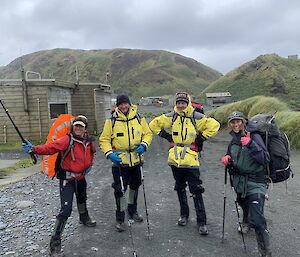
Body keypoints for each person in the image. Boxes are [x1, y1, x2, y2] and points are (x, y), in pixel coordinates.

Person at [22, 115, 96, 257]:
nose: (78, 128)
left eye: (81, 126)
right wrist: (34, 149)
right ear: (73, 127)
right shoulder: (66, 140)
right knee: (66, 210)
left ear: (85, 129)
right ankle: (55, 244)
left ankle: (84, 217)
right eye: (76, 126)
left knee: (82, 198)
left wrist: (89, 165)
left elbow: (92, 154)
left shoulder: (89, 142)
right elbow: (50, 148)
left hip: (81, 177)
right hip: (67, 180)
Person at [149, 91, 220, 235]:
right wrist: (166, 136)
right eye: (179, 103)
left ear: (188, 103)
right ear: (176, 104)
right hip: (175, 159)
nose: (181, 105)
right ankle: (184, 215)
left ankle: (202, 222)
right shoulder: (172, 116)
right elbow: (153, 124)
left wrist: (202, 138)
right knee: (180, 187)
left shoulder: (196, 116)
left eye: (183, 103)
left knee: (196, 189)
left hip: (191, 159)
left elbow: (215, 125)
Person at [221, 111, 272, 257]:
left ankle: (265, 252)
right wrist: (227, 158)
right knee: (243, 203)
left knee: (257, 219)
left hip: (256, 182)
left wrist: (251, 144)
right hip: (239, 182)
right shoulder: (234, 140)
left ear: (244, 122)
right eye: (232, 122)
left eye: (238, 121)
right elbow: (231, 154)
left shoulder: (254, 136)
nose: (236, 124)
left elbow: (265, 158)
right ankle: (245, 222)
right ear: (230, 124)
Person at [99, 94, 152, 232]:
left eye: (125, 103)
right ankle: (120, 218)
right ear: (117, 106)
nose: (123, 106)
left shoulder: (140, 118)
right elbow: (104, 140)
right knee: (120, 191)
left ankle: (132, 211)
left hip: (136, 160)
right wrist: (109, 154)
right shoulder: (111, 121)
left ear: (129, 104)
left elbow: (147, 134)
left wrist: (144, 145)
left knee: (135, 186)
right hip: (120, 163)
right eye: (120, 104)